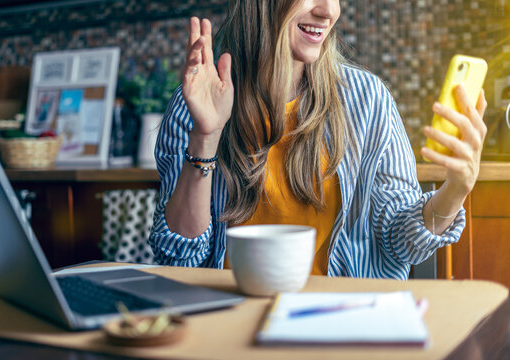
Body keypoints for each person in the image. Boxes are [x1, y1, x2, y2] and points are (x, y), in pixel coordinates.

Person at [149, 0, 487, 279]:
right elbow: (179, 259)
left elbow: (403, 244)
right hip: (229, 316)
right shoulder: (196, 103)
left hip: (342, 319)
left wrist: (455, 190)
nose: (329, 11)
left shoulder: (367, 100)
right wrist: (206, 138)